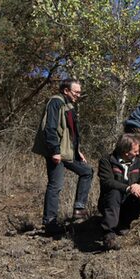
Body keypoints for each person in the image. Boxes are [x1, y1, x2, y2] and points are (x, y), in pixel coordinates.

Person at [32, 79, 93, 234]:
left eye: (80, 92)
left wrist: (77, 150)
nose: (79, 95)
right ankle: (50, 224)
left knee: (87, 172)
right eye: (76, 92)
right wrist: (54, 151)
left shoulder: (70, 105)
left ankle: (79, 209)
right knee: (56, 185)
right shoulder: (55, 102)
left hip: (68, 151)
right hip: (57, 152)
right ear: (66, 90)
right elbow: (49, 127)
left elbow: (71, 132)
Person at [97, 134, 140, 250]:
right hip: (110, 202)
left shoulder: (137, 161)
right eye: (135, 151)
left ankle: (124, 222)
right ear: (126, 152)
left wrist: (139, 186)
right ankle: (108, 235)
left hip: (128, 201)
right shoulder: (107, 161)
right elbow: (107, 182)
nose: (137, 153)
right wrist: (128, 188)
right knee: (114, 192)